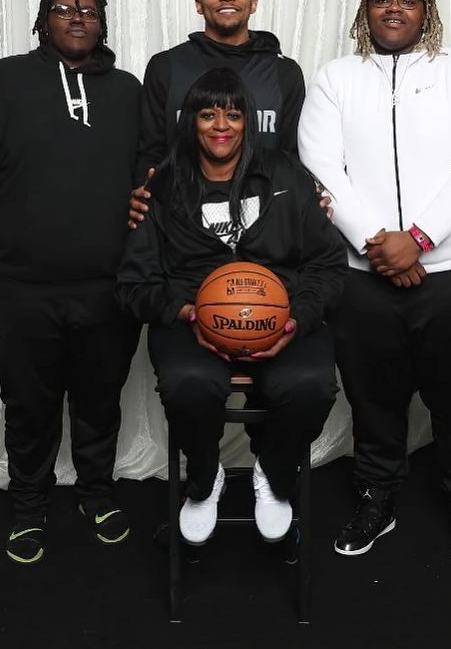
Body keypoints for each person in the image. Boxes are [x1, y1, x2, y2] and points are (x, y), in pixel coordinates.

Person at [297, 0, 451, 568]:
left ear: (426, 11)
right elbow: (323, 167)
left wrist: (419, 239)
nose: (394, 8)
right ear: (365, 10)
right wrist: (379, 243)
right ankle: (375, 495)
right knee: (373, 399)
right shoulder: (335, 78)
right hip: (364, 276)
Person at [0, 0, 142, 566]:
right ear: (43, 21)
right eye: (63, 10)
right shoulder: (4, 82)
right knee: (29, 404)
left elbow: (152, 171)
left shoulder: (129, 91)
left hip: (108, 285)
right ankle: (29, 507)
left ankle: (97, 494)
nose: (77, 18)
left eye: (89, 10)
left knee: (99, 400)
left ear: (103, 21)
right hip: (19, 285)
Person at [116, 67, 345, 545]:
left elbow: (327, 264)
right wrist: (189, 313)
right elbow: (134, 285)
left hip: (282, 317)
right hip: (194, 318)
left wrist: (296, 319)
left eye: (233, 114)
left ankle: (274, 477)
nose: (221, 125)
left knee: (310, 385)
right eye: (208, 114)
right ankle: (204, 480)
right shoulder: (163, 187)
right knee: (188, 383)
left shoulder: (285, 174)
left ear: (247, 123)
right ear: (190, 122)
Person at [129, 0, 305, 225]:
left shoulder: (284, 72)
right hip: (182, 219)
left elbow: (291, 155)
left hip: (264, 220)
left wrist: (306, 204)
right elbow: (151, 151)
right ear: (199, 6)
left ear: (253, 3)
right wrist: (144, 198)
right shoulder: (166, 66)